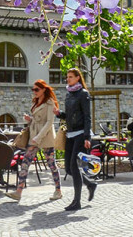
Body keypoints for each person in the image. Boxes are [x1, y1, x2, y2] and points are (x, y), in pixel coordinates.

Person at [6, 79, 62, 202]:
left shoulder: (50, 103)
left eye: (37, 89)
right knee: (25, 162)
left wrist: (39, 137)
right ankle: (18, 192)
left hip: (45, 137)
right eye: (33, 89)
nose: (34, 92)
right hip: (34, 136)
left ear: (43, 89)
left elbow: (49, 122)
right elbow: (37, 120)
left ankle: (58, 190)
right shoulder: (36, 102)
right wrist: (30, 120)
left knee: (51, 164)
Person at [54, 67, 97, 211]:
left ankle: (76, 202)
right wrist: (60, 114)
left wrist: (87, 136)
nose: (68, 79)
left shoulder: (83, 94)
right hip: (70, 134)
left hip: (80, 135)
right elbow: (69, 115)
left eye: (71, 76)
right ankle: (90, 184)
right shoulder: (69, 94)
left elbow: (87, 116)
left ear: (78, 77)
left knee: (74, 166)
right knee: (68, 168)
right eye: (67, 77)